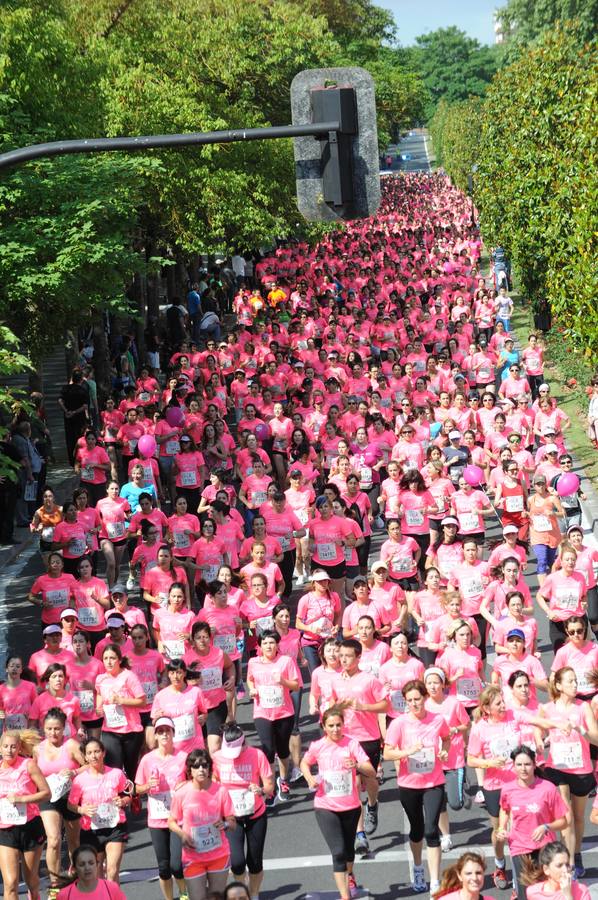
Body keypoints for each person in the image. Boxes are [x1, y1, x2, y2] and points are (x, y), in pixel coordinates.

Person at [301, 706, 376, 900]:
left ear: (344, 725)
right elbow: (304, 763)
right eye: (331, 726)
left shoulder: (352, 744)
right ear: (324, 727)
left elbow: (371, 770)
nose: (335, 729)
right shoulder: (318, 746)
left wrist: (357, 765)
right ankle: (345, 896)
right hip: (326, 806)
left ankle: (349, 874)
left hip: (350, 806)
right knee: (338, 851)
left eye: (338, 725)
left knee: (349, 852)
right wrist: (309, 778)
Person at [539, 667, 598, 877]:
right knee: (566, 814)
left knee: (579, 817)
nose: (575, 685)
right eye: (570, 681)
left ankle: (577, 852)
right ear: (558, 685)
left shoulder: (584, 708)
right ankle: (569, 863)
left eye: (576, 681)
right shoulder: (547, 708)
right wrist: (539, 740)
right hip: (558, 767)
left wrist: (581, 730)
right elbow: (538, 729)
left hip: (581, 768)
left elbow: (596, 738)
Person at [497, 745, 570, 900]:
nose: (523, 769)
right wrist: (501, 827)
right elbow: (504, 809)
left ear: (534, 765)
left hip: (545, 849)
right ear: (513, 766)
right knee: (525, 894)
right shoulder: (507, 789)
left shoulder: (547, 788)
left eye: (527, 764)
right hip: (519, 847)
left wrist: (546, 827)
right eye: (519, 765)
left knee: (548, 893)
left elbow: (564, 822)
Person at [212, 723, 274, 900]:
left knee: (254, 862)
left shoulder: (257, 755)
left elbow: (269, 786)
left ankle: (253, 893)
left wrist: (261, 790)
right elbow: (214, 783)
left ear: (243, 743)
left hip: (256, 814)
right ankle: (241, 893)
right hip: (232, 817)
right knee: (237, 863)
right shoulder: (217, 758)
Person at [168, 748, 236, 900]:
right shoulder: (182, 793)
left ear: (209, 768)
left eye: (205, 765)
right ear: (190, 770)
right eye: (196, 766)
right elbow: (171, 821)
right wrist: (183, 835)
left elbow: (232, 822)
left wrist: (224, 824)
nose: (201, 769)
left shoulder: (221, 791)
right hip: (193, 858)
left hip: (218, 854)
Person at [135, 716, 187, 900]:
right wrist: (148, 785)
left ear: (174, 733)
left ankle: (184, 894)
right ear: (155, 736)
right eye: (160, 731)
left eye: (168, 731)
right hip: (156, 819)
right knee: (163, 867)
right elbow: (137, 788)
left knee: (176, 865)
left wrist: (184, 787)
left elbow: (194, 783)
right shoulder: (147, 760)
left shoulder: (183, 757)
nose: (164, 734)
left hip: (177, 819)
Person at [33, 708, 85, 895]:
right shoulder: (37, 749)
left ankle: (75, 875)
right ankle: (55, 884)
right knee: (53, 840)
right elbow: (33, 773)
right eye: (49, 729)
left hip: (71, 796)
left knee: (73, 841)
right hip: (49, 798)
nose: (53, 733)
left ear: (64, 728)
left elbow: (88, 765)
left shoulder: (71, 745)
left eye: (57, 729)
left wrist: (74, 772)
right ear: (43, 728)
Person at [246, 630, 301, 803]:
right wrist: (252, 689)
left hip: (284, 712)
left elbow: (297, 685)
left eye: (272, 642)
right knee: (268, 749)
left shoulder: (286, 661)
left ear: (277, 645)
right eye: (265, 643)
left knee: (283, 749)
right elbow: (250, 679)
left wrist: (283, 682)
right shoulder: (253, 662)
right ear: (259, 645)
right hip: (262, 712)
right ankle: (269, 786)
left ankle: (283, 781)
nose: (269, 646)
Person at [68, 738, 131, 885]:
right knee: (97, 874)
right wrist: (82, 809)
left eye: (97, 751)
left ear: (103, 753)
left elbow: (128, 796)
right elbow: (71, 805)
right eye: (89, 753)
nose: (94, 756)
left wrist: (122, 801)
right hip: (91, 831)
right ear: (85, 757)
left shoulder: (116, 774)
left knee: (112, 870)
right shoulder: (79, 780)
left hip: (115, 827)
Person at [0, 728, 50, 900]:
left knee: (31, 882)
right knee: (11, 883)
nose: (9, 750)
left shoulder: (28, 765)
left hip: (30, 826)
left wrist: (22, 799)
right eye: (5, 746)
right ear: (0, 748)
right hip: (5, 830)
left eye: (13, 746)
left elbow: (46, 793)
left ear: (20, 747)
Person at [95, 644, 146, 780]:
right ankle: (117, 797)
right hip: (110, 730)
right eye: (105, 658)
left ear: (119, 660)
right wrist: (98, 707)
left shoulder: (129, 676)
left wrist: (121, 700)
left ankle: (133, 797)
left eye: (112, 658)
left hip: (131, 731)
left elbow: (142, 701)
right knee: (113, 769)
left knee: (131, 769)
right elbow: (99, 694)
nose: (109, 662)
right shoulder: (100, 679)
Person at [522, 841, 591, 900]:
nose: (565, 869)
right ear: (546, 870)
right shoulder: (533, 892)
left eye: (567, 864)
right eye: (559, 865)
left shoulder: (582, 890)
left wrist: (568, 896)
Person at [56, 843, 127, 899]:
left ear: (97, 865)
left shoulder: (111, 888)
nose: (87, 868)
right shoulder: (65, 895)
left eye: (91, 863)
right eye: (82, 864)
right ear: (74, 869)